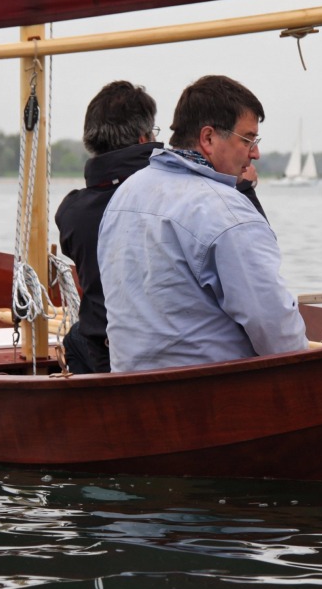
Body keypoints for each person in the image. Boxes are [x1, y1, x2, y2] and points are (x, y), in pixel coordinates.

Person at [97, 75, 308, 372]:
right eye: (248, 139)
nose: (256, 153)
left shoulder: (126, 193)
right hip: (211, 398)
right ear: (208, 138)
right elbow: (273, 325)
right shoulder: (225, 210)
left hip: (132, 390)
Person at [54, 80, 268, 374]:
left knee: (75, 337)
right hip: (170, 360)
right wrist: (241, 190)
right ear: (144, 138)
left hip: (108, 351)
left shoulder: (71, 211)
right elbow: (253, 268)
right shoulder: (175, 196)